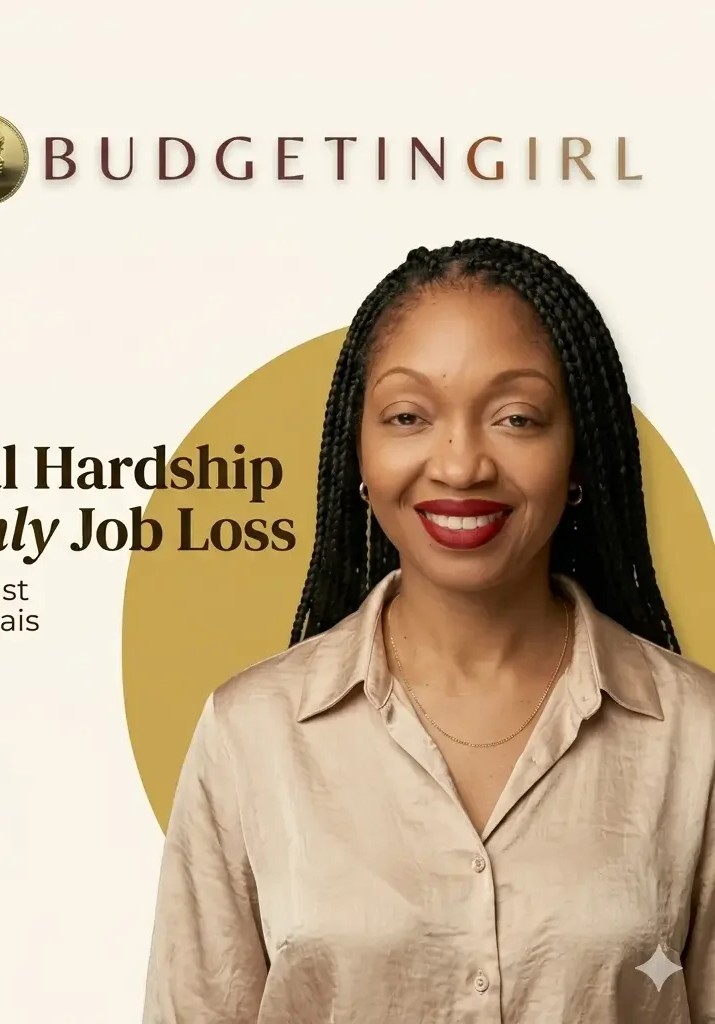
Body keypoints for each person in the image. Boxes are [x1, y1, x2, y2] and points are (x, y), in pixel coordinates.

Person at [141, 238, 715, 1023]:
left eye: (517, 417)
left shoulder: (697, 736)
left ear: (578, 455)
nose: (460, 465)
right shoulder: (252, 734)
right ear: (360, 451)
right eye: (409, 416)